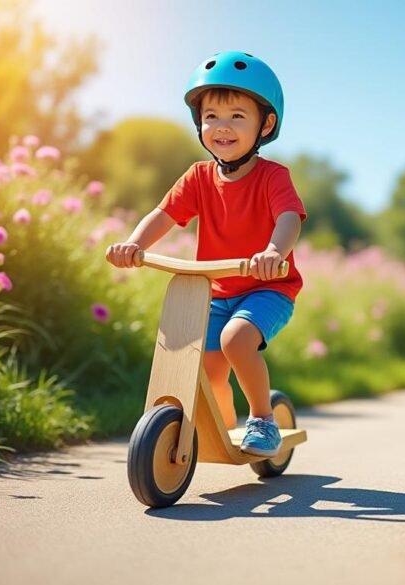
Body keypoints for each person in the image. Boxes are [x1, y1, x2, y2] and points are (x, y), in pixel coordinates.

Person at [105, 51, 306, 457]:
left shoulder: (273, 177)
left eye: (237, 116)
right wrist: (135, 244)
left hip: (268, 287)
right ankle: (223, 425)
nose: (222, 126)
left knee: (236, 340)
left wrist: (273, 251)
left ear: (265, 125)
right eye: (211, 116)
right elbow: (164, 214)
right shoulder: (198, 177)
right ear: (199, 124)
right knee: (209, 368)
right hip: (216, 290)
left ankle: (263, 419)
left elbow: (289, 217)